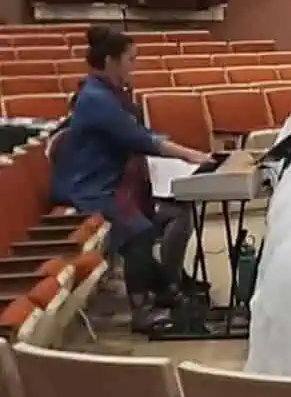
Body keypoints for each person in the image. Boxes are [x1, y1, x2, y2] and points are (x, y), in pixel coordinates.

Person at [49, 26, 211, 332]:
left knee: (175, 212)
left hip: (111, 181)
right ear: (111, 60)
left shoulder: (112, 93)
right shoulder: (96, 98)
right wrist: (190, 155)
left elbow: (140, 134)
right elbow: (137, 138)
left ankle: (169, 286)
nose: (134, 66)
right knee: (139, 232)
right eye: (131, 59)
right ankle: (144, 308)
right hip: (88, 188)